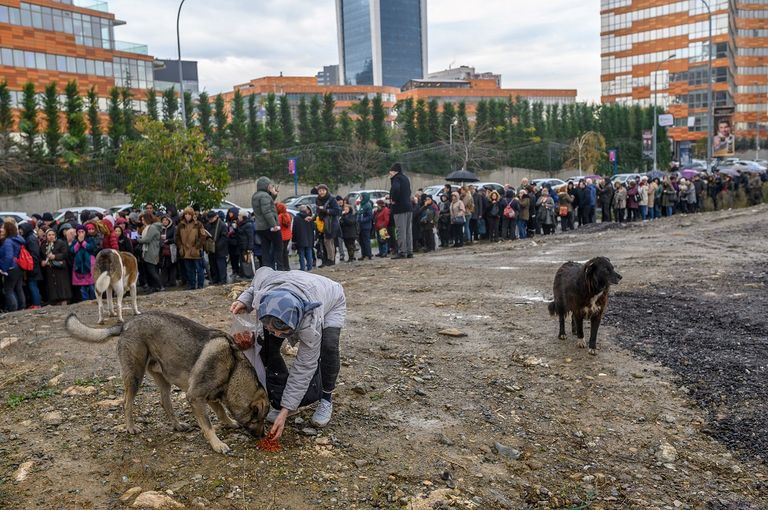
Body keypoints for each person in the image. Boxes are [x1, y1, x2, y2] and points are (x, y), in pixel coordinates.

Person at [230, 266, 346, 437]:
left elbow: (304, 366)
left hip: (330, 301)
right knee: (266, 344)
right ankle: (281, 396)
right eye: (272, 329)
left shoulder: (310, 321)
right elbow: (255, 288)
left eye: (283, 332)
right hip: (289, 288)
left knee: (328, 347)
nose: (278, 335)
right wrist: (244, 300)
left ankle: (326, 398)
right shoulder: (264, 291)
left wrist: (285, 412)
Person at [251, 176, 281, 270]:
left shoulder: (256, 195)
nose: (271, 186)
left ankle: (267, 269)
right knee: (279, 246)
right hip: (269, 226)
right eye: (270, 185)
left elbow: (268, 202)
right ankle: (280, 268)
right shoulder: (264, 196)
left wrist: (274, 194)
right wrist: (274, 225)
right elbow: (267, 211)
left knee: (265, 249)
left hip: (260, 227)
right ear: (266, 186)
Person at [175, 207, 207, 290]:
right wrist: (180, 246)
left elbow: (203, 237)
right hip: (185, 250)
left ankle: (200, 285)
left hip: (196, 250)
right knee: (189, 269)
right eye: (186, 214)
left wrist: (197, 247)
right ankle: (191, 285)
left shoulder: (198, 224)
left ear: (192, 215)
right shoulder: (180, 225)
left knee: (199, 269)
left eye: (189, 214)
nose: (187, 216)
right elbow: (177, 237)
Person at [1, 219, 27, 311]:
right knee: (18, 288)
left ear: (7, 229)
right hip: (18, 266)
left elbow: (8, 256)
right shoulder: (17, 239)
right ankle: (22, 306)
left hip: (11, 267)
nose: (1, 229)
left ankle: (13, 308)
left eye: (3, 228)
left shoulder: (8, 241)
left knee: (8, 289)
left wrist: (4, 269)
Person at [41, 227, 71, 305]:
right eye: (49, 235)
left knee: (62, 284)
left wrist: (55, 256)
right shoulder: (44, 245)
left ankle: (64, 299)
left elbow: (65, 254)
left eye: (53, 235)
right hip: (49, 269)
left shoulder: (61, 243)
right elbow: (41, 256)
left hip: (60, 268)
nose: (51, 236)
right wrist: (42, 261)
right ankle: (55, 300)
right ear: (46, 236)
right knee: (52, 285)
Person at [388, 163, 413, 259]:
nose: (389, 174)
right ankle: (409, 251)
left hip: (399, 208)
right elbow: (409, 191)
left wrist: (393, 199)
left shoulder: (396, 178)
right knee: (408, 230)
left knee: (400, 230)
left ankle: (402, 252)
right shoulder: (406, 178)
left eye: (390, 172)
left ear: (394, 171)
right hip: (408, 207)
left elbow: (395, 189)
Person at [315, 184, 340, 267]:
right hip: (321, 224)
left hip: (331, 223)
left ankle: (331, 259)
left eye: (323, 190)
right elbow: (317, 212)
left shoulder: (331, 199)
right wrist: (312, 218)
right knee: (323, 242)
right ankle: (325, 260)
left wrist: (326, 210)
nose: (321, 192)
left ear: (326, 190)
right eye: (319, 190)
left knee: (329, 241)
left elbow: (337, 211)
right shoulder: (317, 200)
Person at [137, 213, 163, 293]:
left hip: (151, 251)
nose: (142, 221)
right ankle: (153, 286)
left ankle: (159, 286)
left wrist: (137, 239)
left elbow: (147, 239)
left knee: (152, 271)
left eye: (143, 220)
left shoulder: (152, 228)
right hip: (148, 251)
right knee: (149, 271)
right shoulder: (148, 227)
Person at [70, 224, 97, 300]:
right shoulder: (75, 241)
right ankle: (85, 301)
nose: (81, 233)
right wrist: (79, 242)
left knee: (91, 285)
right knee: (82, 286)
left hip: (89, 264)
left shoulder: (90, 239)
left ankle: (93, 299)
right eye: (79, 231)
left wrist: (83, 242)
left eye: (82, 231)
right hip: (79, 265)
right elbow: (72, 250)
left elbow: (91, 248)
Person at [205, 211, 228, 284]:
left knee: (221, 265)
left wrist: (217, 246)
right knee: (213, 265)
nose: (210, 220)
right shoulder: (209, 225)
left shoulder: (222, 225)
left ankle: (222, 279)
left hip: (220, 249)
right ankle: (215, 279)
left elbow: (224, 237)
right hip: (211, 248)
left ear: (216, 217)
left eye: (211, 219)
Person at [292, 205, 315, 272]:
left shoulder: (296, 218)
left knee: (301, 254)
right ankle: (310, 267)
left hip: (300, 239)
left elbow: (294, 229)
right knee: (309, 253)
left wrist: (294, 240)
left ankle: (302, 268)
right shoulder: (309, 218)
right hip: (309, 238)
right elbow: (313, 227)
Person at [159, 215, 177, 288]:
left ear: (169, 221)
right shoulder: (160, 229)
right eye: (163, 220)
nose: (165, 221)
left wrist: (168, 240)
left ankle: (172, 282)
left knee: (172, 266)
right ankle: (164, 282)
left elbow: (175, 239)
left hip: (171, 249)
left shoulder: (173, 228)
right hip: (162, 250)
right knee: (163, 266)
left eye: (166, 220)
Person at [356, 192, 374, 261]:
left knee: (366, 241)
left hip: (366, 226)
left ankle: (368, 255)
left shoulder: (368, 205)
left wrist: (362, 220)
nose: (360, 197)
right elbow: (360, 213)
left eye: (361, 196)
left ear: (364, 197)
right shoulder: (362, 204)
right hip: (360, 226)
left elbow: (370, 216)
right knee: (361, 241)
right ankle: (363, 255)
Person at [226, 207, 241, 279]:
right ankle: (234, 270)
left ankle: (237, 271)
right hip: (230, 242)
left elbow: (239, 232)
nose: (230, 214)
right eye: (229, 213)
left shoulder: (237, 221)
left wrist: (235, 228)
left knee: (236, 258)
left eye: (231, 213)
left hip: (236, 242)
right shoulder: (229, 221)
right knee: (232, 258)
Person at [276, 203, 293, 271]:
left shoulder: (279, 216)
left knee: (281, 252)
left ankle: (281, 267)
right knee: (285, 251)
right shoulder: (288, 215)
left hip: (281, 236)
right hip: (288, 236)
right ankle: (287, 266)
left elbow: (278, 226)